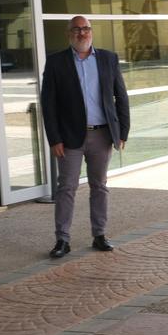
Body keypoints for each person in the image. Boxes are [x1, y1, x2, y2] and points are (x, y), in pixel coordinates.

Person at [40, 16, 130, 258]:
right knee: (66, 188)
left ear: (91, 31)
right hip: (69, 138)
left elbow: (121, 96)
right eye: (77, 29)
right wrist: (54, 138)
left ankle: (99, 235)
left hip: (102, 134)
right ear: (69, 33)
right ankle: (62, 240)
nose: (82, 33)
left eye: (86, 29)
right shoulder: (56, 62)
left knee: (99, 186)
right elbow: (48, 104)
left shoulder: (108, 59)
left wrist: (123, 131)